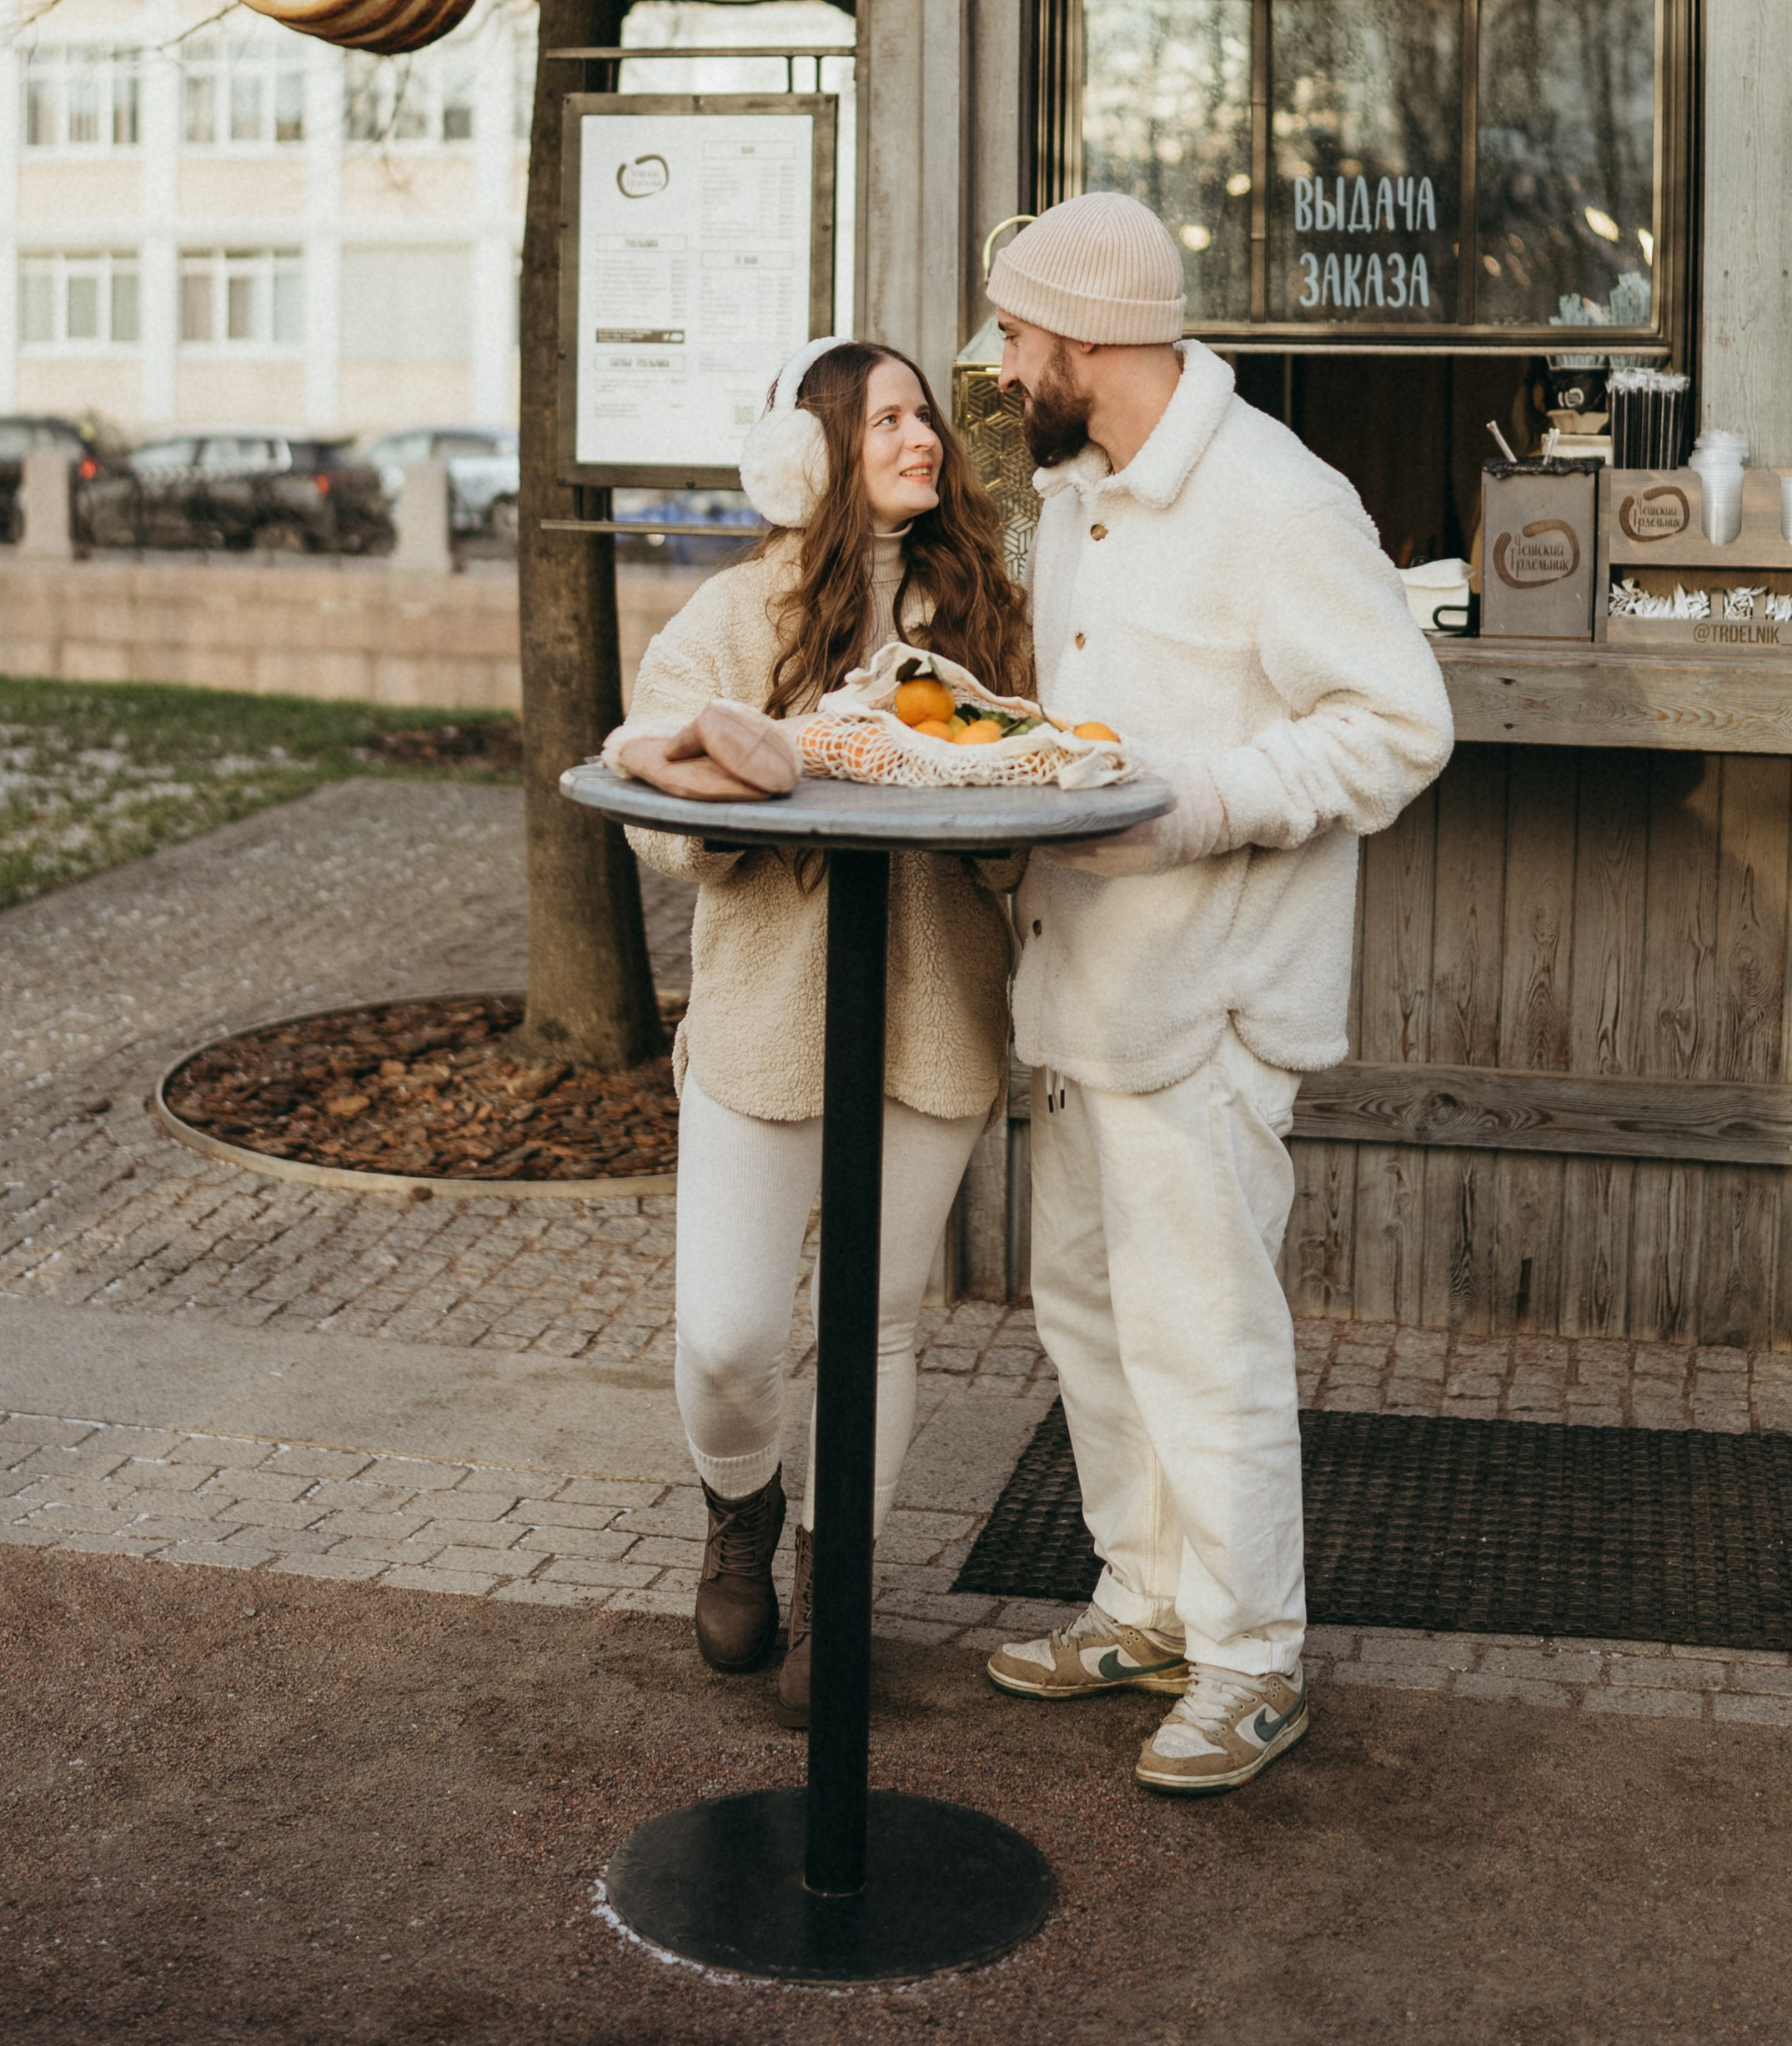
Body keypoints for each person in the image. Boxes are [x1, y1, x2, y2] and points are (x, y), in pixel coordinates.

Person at [980, 195, 1454, 1793]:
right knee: (1092, 1318)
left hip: (1213, 1001)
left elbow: (1398, 729)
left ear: (1092, 343)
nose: (1001, 366)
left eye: (1020, 338)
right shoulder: (1074, 493)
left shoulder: (1276, 495)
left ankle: (1254, 1661)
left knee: (1208, 1339)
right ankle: (1148, 1603)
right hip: (1083, 997)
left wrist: (1186, 801)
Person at [607, 334, 1028, 1723]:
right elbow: (656, 783)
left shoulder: (987, 610)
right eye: (888, 420)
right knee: (730, 1338)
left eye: (927, 418)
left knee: (876, 1325)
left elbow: (1042, 787)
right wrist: (758, 765)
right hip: (764, 1021)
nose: (922, 440)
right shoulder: (738, 614)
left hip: (935, 1019)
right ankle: (743, 1504)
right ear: (810, 457)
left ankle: (832, 1573)